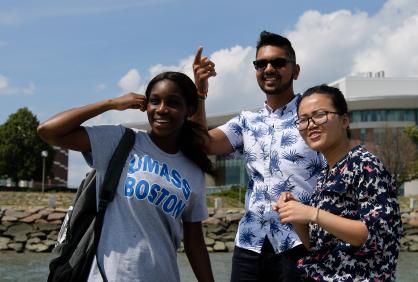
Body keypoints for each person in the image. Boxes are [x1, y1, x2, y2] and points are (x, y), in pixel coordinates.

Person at [37, 71, 215, 282]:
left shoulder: (192, 170)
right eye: (154, 101)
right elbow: (48, 131)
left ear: (189, 110)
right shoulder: (119, 141)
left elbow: (195, 242)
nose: (161, 109)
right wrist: (111, 103)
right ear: (145, 106)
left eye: (173, 103)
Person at [192, 31, 324, 282]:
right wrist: (200, 93)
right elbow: (203, 143)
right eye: (261, 63)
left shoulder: (314, 119)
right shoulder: (246, 122)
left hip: (300, 243)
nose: (269, 68)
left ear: (295, 71)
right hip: (250, 244)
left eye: (278, 62)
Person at [273, 84, 403, 281]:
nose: (310, 124)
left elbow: (378, 237)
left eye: (319, 115)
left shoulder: (364, 164)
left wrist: (313, 214)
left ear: (344, 120)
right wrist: (299, 217)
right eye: (303, 120)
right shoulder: (327, 173)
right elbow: (318, 248)